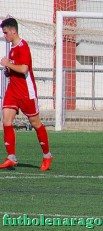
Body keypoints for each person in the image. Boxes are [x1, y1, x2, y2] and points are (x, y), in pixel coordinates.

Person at [0, 17, 52, 171]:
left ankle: (47, 155)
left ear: (13, 31)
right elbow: (14, 69)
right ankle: (11, 157)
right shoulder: (12, 49)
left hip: (26, 92)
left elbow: (24, 69)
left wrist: (7, 64)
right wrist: (8, 71)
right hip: (13, 91)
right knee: (6, 120)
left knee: (35, 123)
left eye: (6, 32)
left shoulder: (23, 47)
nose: (4, 36)